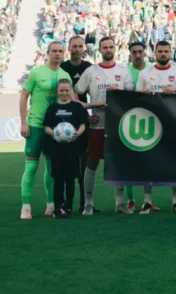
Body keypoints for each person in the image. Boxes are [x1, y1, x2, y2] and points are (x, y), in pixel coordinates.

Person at [74, 36, 134, 215]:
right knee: (92, 162)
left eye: (111, 47)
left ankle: (120, 204)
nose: (108, 50)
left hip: (119, 126)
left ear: (115, 49)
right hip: (97, 125)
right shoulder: (91, 71)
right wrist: (85, 112)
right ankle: (88, 204)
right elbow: (75, 94)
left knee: (118, 162)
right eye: (105, 47)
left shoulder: (123, 72)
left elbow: (132, 97)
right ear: (100, 50)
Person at [19, 41, 72, 220]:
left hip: (56, 129)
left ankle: (51, 205)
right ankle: (26, 207)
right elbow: (24, 96)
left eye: (60, 51)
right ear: (47, 53)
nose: (57, 54)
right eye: (54, 51)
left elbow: (70, 101)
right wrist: (23, 122)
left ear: (64, 54)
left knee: (51, 167)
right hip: (35, 125)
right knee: (31, 165)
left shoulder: (65, 75)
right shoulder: (36, 72)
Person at [135, 40, 176, 214]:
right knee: (148, 161)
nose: (163, 54)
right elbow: (136, 98)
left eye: (166, 51)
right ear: (155, 53)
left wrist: (175, 91)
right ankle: (148, 201)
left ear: (171, 52)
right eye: (160, 51)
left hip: (173, 123)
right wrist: (143, 94)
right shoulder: (145, 73)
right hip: (150, 123)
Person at [43, 79, 88, 219]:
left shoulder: (77, 107)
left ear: (71, 91)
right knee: (58, 178)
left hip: (73, 149)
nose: (64, 93)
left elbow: (83, 124)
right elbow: (46, 127)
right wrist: (54, 134)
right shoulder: (52, 108)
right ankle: (57, 209)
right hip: (56, 149)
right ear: (57, 91)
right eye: (61, 90)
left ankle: (68, 208)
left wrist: (77, 133)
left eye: (67, 90)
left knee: (70, 179)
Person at [60, 36, 92, 214]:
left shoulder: (88, 68)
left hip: (82, 120)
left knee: (84, 164)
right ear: (69, 48)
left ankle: (85, 203)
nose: (77, 49)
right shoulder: (63, 68)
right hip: (64, 122)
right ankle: (64, 203)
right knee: (66, 164)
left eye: (80, 46)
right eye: (74, 46)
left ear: (83, 48)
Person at [124, 41, 154, 213]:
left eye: (140, 51)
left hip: (148, 121)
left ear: (145, 53)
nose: (137, 54)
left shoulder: (151, 70)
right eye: (133, 52)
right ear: (129, 53)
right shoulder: (124, 71)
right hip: (129, 121)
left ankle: (148, 200)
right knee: (128, 162)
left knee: (146, 162)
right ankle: (130, 200)